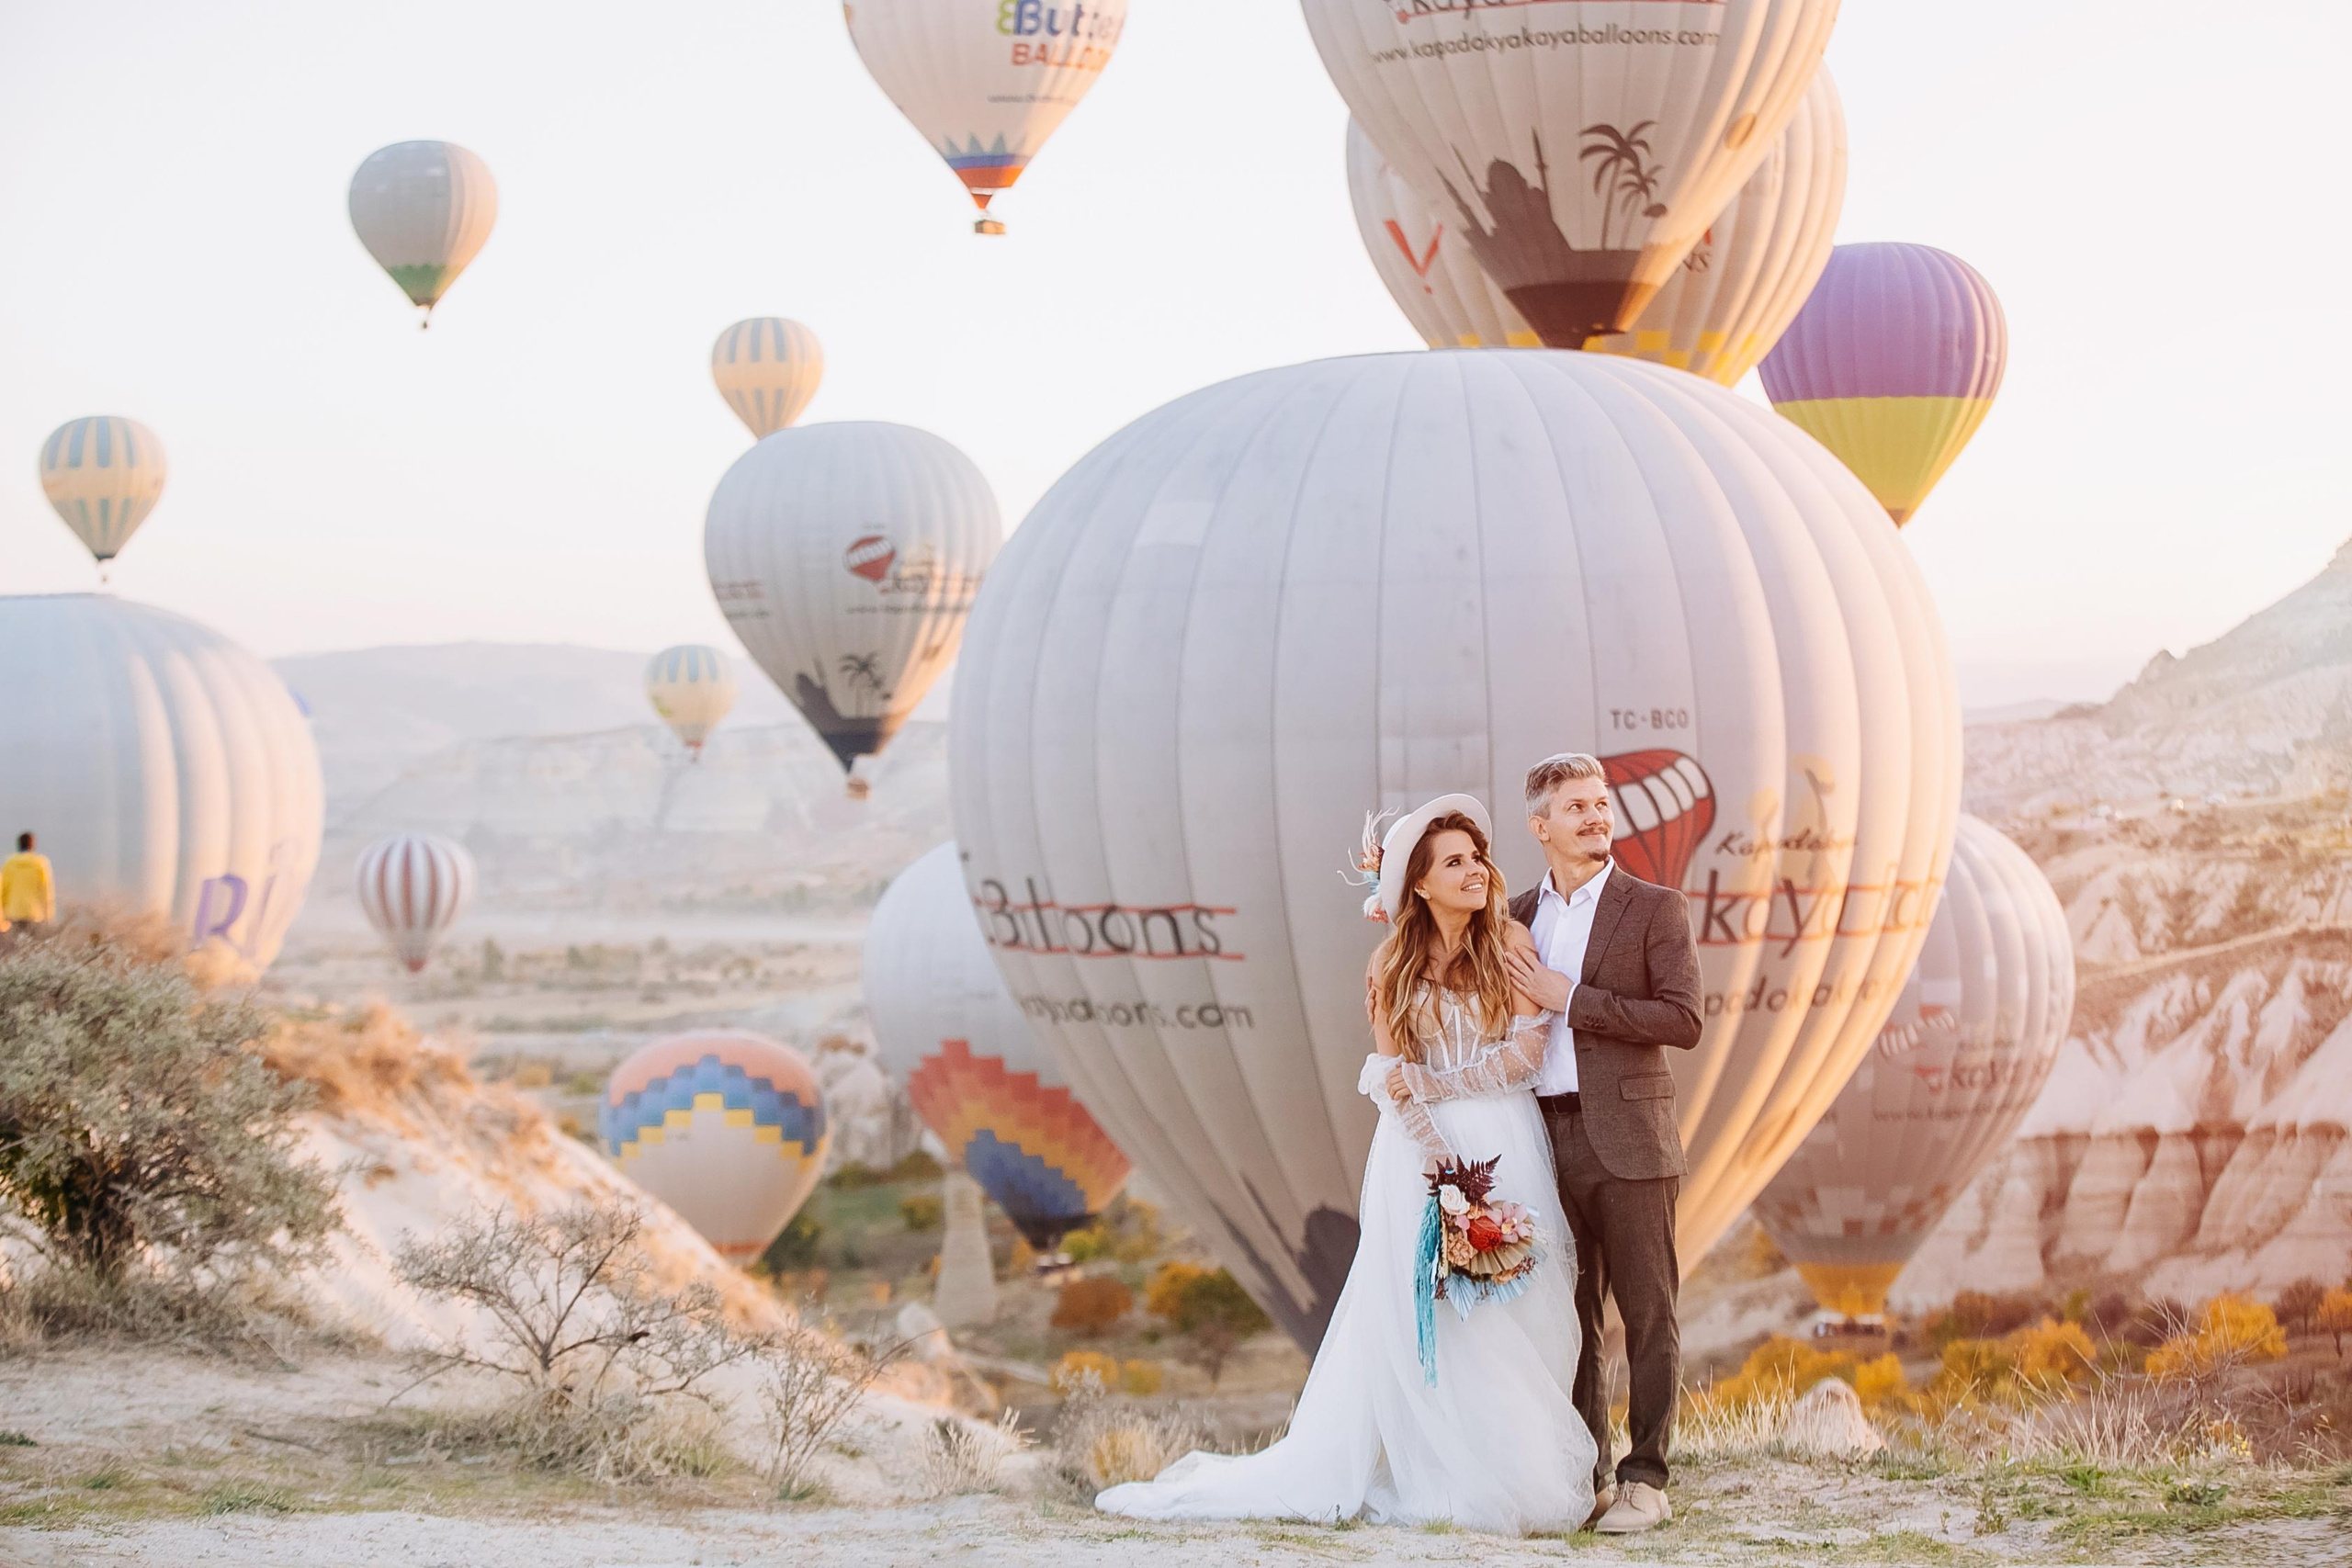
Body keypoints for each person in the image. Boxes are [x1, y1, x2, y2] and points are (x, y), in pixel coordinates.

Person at [1096, 795, 1596, 1535]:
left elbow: (1526, 1057)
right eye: (1452, 861)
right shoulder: (1390, 964)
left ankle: (1517, 1470)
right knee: (1439, 1317)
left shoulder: (1512, 943)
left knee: (1517, 1308)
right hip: (1422, 1156)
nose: (1474, 870)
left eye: (1477, 857)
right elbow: (1395, 1078)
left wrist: (1444, 1090)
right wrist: (1445, 1173)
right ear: (1418, 884)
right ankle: (1446, 1474)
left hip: (1505, 1141)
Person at [1402, 754, 1702, 1534]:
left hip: (1630, 1138)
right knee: (1564, 1318)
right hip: (1537, 1140)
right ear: (1541, 826)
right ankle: (1584, 1475)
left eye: (1602, 804)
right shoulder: (1518, 917)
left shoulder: (1654, 907)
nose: (1597, 817)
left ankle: (1647, 1477)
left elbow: (1683, 1020)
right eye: (1577, 807)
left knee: (1647, 1310)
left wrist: (1575, 1001)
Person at [1, 831, 55, 934]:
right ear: (32, 844)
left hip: (13, 911)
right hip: (34, 913)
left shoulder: (9, 863)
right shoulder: (40, 863)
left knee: (16, 944)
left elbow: (3, 890)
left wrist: (2, 915)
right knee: (31, 944)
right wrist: (48, 914)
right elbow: (46, 890)